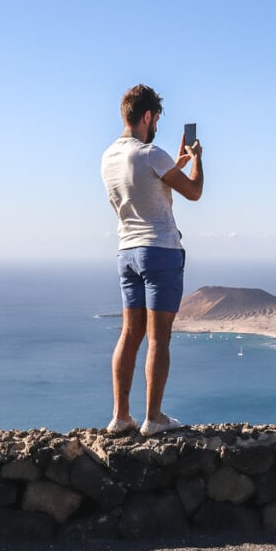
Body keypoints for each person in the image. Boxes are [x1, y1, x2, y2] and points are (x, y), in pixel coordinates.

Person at [100, 84, 204, 437]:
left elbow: (144, 187)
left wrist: (176, 163)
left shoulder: (109, 157)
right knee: (159, 338)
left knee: (130, 334)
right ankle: (154, 418)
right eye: (156, 117)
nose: (156, 124)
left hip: (126, 252)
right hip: (159, 251)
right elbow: (194, 192)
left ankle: (120, 416)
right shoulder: (150, 154)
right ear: (147, 116)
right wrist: (197, 161)